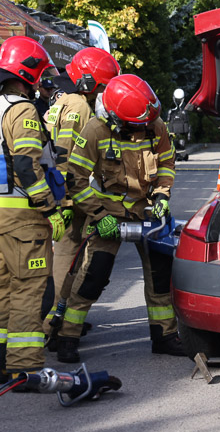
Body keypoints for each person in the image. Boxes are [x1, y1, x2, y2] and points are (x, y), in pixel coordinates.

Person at [59, 73, 181, 363]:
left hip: (148, 209)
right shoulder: (95, 131)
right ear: (115, 117)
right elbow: (75, 180)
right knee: (93, 275)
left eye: (147, 124)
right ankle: (67, 336)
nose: (144, 129)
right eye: (137, 125)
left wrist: (162, 195)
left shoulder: (155, 124)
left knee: (161, 275)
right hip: (108, 214)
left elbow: (166, 162)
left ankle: (164, 335)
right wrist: (99, 215)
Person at [0, 35, 68, 385]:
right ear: (27, 73)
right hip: (25, 218)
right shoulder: (23, 110)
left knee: (2, 287)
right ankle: (24, 366)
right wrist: (50, 209)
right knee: (29, 289)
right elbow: (28, 167)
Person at [42, 47, 121, 337]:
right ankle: (56, 324)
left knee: (66, 257)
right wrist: (64, 198)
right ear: (90, 82)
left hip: (61, 191)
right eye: (102, 85)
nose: (102, 92)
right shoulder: (79, 106)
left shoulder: (64, 100)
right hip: (70, 194)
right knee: (69, 259)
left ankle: (57, 320)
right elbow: (65, 153)